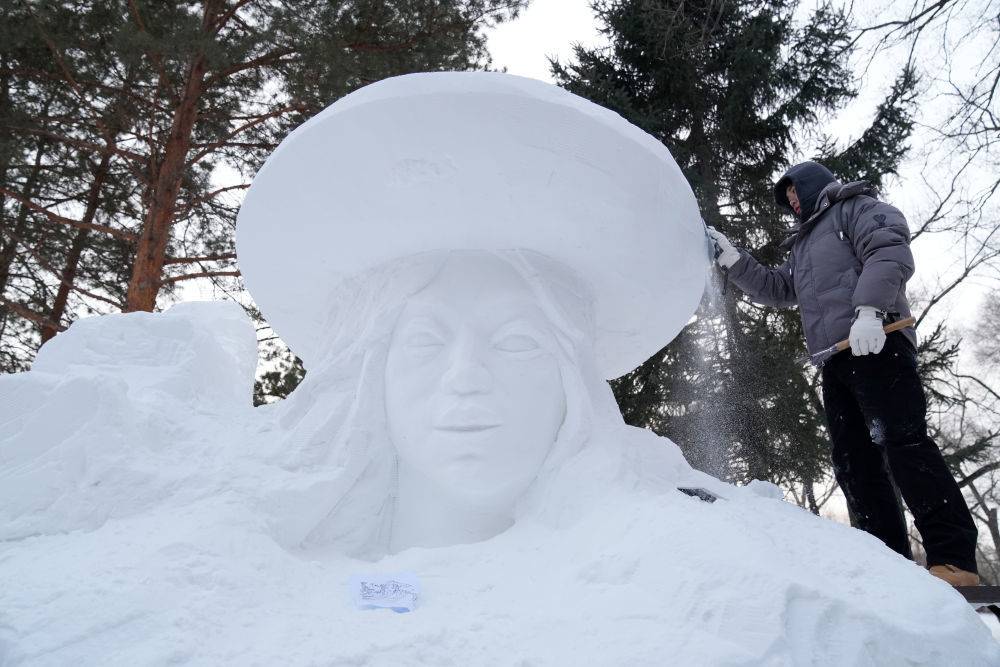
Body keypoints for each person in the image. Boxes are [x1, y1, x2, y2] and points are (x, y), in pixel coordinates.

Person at [707, 161, 980, 586]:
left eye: (794, 191)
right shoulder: (801, 246)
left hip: (879, 340)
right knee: (854, 462)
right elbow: (780, 288)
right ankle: (888, 564)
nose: (792, 201)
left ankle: (954, 560)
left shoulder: (857, 208)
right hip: (834, 358)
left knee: (902, 442)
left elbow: (888, 250)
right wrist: (734, 259)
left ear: (813, 184)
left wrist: (870, 309)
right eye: (787, 198)